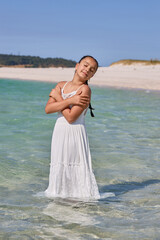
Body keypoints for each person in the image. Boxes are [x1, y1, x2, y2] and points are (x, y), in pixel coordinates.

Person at [44, 55, 100, 200]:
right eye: (85, 65)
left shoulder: (85, 90)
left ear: (93, 75)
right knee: (60, 165)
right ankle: (60, 202)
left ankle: (78, 203)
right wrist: (70, 100)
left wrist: (60, 98)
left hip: (75, 132)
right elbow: (48, 109)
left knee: (74, 166)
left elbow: (70, 117)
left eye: (92, 70)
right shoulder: (61, 85)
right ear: (77, 65)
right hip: (59, 132)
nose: (87, 70)